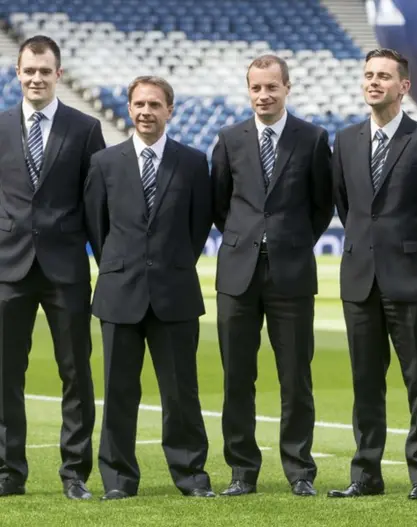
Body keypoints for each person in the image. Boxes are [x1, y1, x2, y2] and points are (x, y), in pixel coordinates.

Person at [327, 48, 417, 500]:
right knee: (365, 382)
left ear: (404, 86)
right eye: (368, 75)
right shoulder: (344, 141)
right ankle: (366, 474)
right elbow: (346, 207)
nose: (374, 82)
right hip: (360, 278)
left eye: (383, 76)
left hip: (411, 279)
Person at [83, 76, 214, 500]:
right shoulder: (105, 163)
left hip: (174, 293)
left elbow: (198, 227)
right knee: (119, 394)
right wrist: (123, 268)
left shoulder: (193, 163)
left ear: (169, 111)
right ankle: (119, 479)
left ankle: (191, 475)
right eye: (138, 104)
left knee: (181, 394)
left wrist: (168, 265)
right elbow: (97, 226)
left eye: (154, 104)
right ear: (128, 108)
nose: (145, 112)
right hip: (120, 293)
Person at [211, 55, 333, 497]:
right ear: (249, 91)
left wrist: (290, 240)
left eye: (271, 88)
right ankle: (242, 470)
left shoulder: (313, 138)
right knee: (237, 377)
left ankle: (299, 470)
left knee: (295, 377)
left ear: (287, 88)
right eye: (256, 88)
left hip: (292, 274)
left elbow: (323, 205)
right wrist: (247, 240)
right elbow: (219, 204)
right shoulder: (228, 139)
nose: (263, 96)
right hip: (237, 275)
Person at [0, 35, 104, 500]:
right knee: (4, 374)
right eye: (29, 71)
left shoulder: (84, 129)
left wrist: (108, 266)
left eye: (45, 71)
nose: (37, 78)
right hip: (8, 267)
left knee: (76, 373)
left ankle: (74, 473)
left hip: (66, 269)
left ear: (58, 74)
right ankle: (8, 472)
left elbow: (95, 203)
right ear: (17, 74)